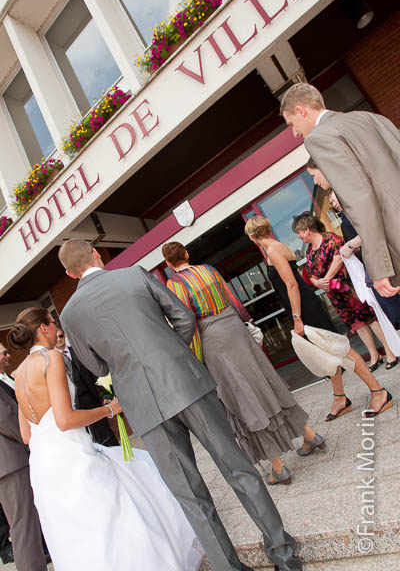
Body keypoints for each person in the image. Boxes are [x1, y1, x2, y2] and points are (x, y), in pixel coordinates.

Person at [58, 238, 302, 571]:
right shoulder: (134, 275)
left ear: (71, 274)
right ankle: (284, 555)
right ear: (97, 254)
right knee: (239, 470)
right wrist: (173, 352)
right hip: (186, 382)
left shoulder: (70, 314)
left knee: (190, 497)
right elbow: (184, 317)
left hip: (143, 406)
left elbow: (96, 367)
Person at [9, 308, 204, 571]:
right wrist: (111, 409)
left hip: (43, 468)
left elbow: (25, 434)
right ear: (43, 329)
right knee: (111, 515)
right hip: (71, 456)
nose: (57, 330)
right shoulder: (51, 359)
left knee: (76, 534)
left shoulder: (18, 373)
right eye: (53, 324)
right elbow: (65, 420)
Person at [162, 242, 325, 487]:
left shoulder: (175, 283)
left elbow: (187, 321)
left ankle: (278, 468)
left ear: (168, 264)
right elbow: (234, 301)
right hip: (235, 327)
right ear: (186, 254)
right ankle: (309, 435)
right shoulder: (208, 269)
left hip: (213, 338)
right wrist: (247, 323)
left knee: (242, 395)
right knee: (265, 382)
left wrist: (194, 356)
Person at [244, 216, 392, 420]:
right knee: (326, 353)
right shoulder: (278, 247)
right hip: (305, 305)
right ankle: (340, 397)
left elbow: (292, 285)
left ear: (252, 236)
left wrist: (297, 318)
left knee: (341, 349)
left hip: (305, 308)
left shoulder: (273, 250)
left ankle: (378, 392)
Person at [280, 82, 400, 299]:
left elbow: (359, 197)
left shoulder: (318, 138)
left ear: (301, 110)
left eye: (291, 124)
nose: (295, 133)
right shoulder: (369, 117)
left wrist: (380, 266)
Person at [292, 212, 398, 372]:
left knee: (370, 317)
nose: (299, 236)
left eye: (299, 232)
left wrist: (325, 279)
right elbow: (311, 273)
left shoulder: (330, 238)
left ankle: (390, 351)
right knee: (357, 324)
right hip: (335, 295)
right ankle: (374, 355)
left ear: (307, 229)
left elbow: (339, 258)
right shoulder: (309, 251)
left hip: (349, 286)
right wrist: (317, 282)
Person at [328, 188, 400, 339]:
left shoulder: (357, 213)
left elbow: (371, 232)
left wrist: (349, 246)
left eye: (334, 200)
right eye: (332, 203)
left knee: (394, 307)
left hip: (380, 264)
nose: (334, 204)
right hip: (371, 266)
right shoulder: (346, 218)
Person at [0, 343, 48, 571]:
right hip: (9, 462)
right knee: (23, 525)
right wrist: (32, 436)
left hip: (11, 461)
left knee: (27, 522)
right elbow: (7, 418)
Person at [55, 327, 119, 446]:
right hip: (72, 405)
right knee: (84, 438)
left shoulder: (78, 352)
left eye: (61, 336)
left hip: (90, 398)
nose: (59, 339)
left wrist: (106, 394)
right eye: (56, 337)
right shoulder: (54, 360)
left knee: (104, 433)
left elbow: (95, 374)